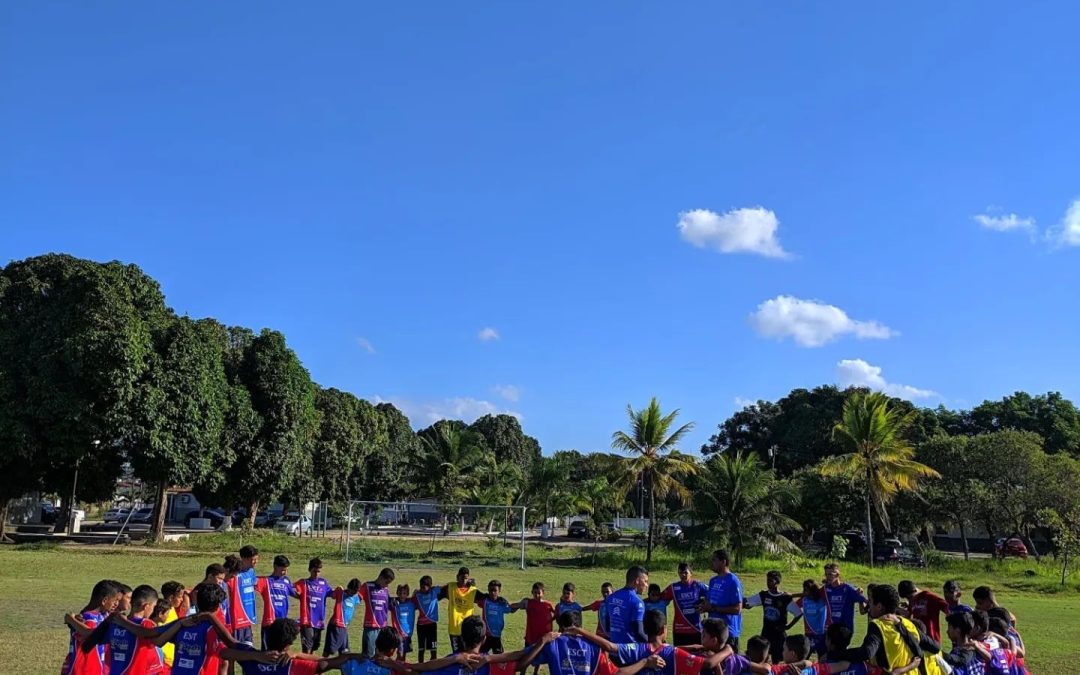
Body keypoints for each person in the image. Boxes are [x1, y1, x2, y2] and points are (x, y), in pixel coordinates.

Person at [570, 608, 734, 675]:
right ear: (664, 630)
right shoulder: (673, 654)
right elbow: (708, 664)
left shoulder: (636, 649)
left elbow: (609, 646)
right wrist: (728, 649)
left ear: (646, 630)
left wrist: (580, 630)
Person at [838, 584, 944, 675]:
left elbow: (866, 653)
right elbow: (935, 647)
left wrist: (836, 653)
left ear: (879, 606)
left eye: (871, 602)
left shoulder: (877, 625)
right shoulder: (907, 623)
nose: (869, 605)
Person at [225, 617, 366, 674]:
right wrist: (297, 654)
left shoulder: (250, 660)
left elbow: (228, 646)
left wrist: (209, 616)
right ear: (289, 644)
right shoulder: (293, 665)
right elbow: (326, 663)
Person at [153, 582, 239, 675]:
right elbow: (225, 661)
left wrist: (180, 624)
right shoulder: (214, 630)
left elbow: (158, 642)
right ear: (217, 606)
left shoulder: (183, 623)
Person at [62, 579, 122, 675]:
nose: (116, 604)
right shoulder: (89, 618)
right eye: (115, 601)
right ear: (104, 600)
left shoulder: (101, 615)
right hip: (86, 671)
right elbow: (89, 633)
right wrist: (70, 619)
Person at [744, 570, 802, 664]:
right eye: (767, 580)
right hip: (766, 633)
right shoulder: (763, 595)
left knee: (777, 661)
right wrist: (745, 604)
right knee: (762, 658)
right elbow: (748, 601)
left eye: (771, 580)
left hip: (779, 635)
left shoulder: (784, 598)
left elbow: (798, 613)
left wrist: (788, 626)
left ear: (777, 582)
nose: (768, 583)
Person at [699, 550, 743, 651]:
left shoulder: (733, 581)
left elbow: (737, 609)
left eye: (714, 560)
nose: (712, 563)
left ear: (723, 562)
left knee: (729, 665)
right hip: (713, 633)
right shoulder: (713, 580)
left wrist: (714, 608)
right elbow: (711, 603)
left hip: (728, 633)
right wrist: (704, 607)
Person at [257, 555, 302, 647]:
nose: (285, 572)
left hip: (282, 622)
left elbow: (296, 594)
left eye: (286, 570)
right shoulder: (265, 581)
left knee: (281, 649)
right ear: (275, 566)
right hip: (269, 622)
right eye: (282, 570)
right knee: (267, 652)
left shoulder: (286, 581)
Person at [660, 562, 709, 647]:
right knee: (679, 656)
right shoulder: (673, 587)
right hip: (680, 629)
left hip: (695, 628)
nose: (683, 575)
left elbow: (713, 594)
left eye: (685, 573)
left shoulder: (698, 585)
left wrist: (705, 603)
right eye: (680, 573)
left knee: (698, 655)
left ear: (691, 573)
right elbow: (659, 598)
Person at [295, 557, 333, 654]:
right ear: (309, 570)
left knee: (314, 648)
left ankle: (310, 667)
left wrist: (342, 591)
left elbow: (332, 594)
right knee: (307, 648)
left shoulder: (323, 583)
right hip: (307, 621)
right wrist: (298, 594)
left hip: (319, 620)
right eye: (314, 571)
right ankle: (304, 667)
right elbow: (291, 589)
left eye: (319, 571)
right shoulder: (303, 583)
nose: (316, 574)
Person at [517, 582, 555, 675]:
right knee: (526, 656)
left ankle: (535, 673)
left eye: (539, 593)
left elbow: (557, 614)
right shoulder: (528, 603)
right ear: (532, 592)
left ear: (543, 592)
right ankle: (522, 673)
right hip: (530, 635)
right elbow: (515, 606)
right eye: (535, 593)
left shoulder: (548, 605)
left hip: (543, 636)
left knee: (540, 655)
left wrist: (551, 619)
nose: (537, 595)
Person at [358, 568, 397, 656]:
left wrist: (393, 602)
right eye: (386, 582)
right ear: (381, 577)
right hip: (370, 627)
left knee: (380, 656)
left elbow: (388, 605)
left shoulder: (386, 590)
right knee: (368, 655)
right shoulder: (367, 586)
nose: (386, 585)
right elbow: (355, 599)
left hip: (383, 629)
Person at [606, 566, 648, 644]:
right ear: (637, 581)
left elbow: (607, 623)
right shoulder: (637, 602)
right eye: (645, 581)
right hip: (630, 652)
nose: (646, 585)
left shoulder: (611, 597)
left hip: (613, 648)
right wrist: (653, 644)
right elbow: (638, 633)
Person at [822, 564, 867, 634]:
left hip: (845, 630)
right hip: (830, 629)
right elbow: (811, 594)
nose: (827, 577)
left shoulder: (848, 589)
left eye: (830, 574)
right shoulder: (825, 589)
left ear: (837, 575)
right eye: (826, 574)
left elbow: (865, 601)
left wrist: (860, 593)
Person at [444, 567, 479, 653]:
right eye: (462, 578)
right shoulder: (450, 587)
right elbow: (436, 593)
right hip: (454, 629)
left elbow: (486, 598)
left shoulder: (473, 591)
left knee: (468, 654)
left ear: (469, 578)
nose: (464, 580)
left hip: (467, 629)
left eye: (466, 578)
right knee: (456, 655)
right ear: (457, 577)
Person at [230, 545, 260, 645]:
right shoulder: (235, 574)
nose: (256, 562)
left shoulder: (251, 571)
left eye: (257, 559)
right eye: (253, 560)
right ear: (244, 559)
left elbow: (255, 584)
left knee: (248, 646)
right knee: (234, 649)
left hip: (248, 616)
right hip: (237, 617)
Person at [475, 579, 516, 654]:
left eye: (495, 590)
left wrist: (522, 604)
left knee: (499, 658)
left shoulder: (502, 603)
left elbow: (511, 609)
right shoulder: (485, 601)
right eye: (490, 590)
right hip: (486, 636)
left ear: (499, 590)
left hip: (497, 636)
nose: (492, 592)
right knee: (478, 656)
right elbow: (474, 596)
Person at [325, 578, 362, 656]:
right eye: (352, 591)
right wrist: (337, 589)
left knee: (345, 652)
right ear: (348, 588)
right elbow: (332, 595)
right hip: (335, 625)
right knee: (329, 651)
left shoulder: (356, 597)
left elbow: (363, 595)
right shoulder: (341, 593)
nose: (352, 594)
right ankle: (319, 665)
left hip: (344, 627)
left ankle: (343, 667)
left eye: (355, 592)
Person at [413, 575, 445, 662]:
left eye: (424, 587)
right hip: (421, 625)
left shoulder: (434, 591)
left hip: (432, 624)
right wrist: (414, 593)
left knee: (433, 648)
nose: (422, 589)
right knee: (421, 648)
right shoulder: (418, 595)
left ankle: (433, 665)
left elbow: (445, 587)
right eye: (421, 587)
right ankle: (420, 666)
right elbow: (411, 603)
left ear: (430, 586)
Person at [159, 581, 189, 670]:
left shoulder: (172, 610)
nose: (181, 600)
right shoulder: (163, 613)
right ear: (171, 598)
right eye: (180, 597)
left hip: (172, 659)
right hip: (165, 660)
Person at [393, 584, 418, 662]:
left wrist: (415, 593)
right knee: (400, 652)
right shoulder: (395, 604)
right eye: (400, 593)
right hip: (398, 633)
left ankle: (400, 668)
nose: (402, 595)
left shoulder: (411, 604)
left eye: (404, 593)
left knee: (404, 653)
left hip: (408, 633)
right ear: (397, 593)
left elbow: (417, 596)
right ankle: (396, 668)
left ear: (407, 594)